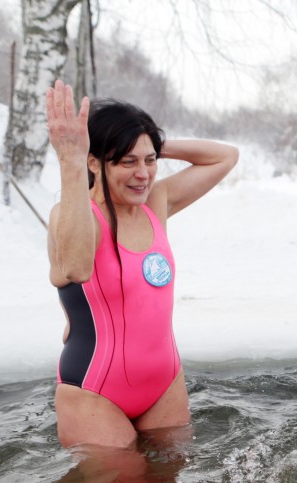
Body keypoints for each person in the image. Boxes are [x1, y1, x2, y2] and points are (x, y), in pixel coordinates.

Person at [45, 79, 238, 448]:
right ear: (94, 162)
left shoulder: (154, 204)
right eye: (127, 161)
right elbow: (76, 267)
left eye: (149, 162)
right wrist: (71, 160)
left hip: (164, 383)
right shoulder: (71, 215)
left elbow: (225, 156)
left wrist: (150, 142)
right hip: (94, 391)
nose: (143, 174)